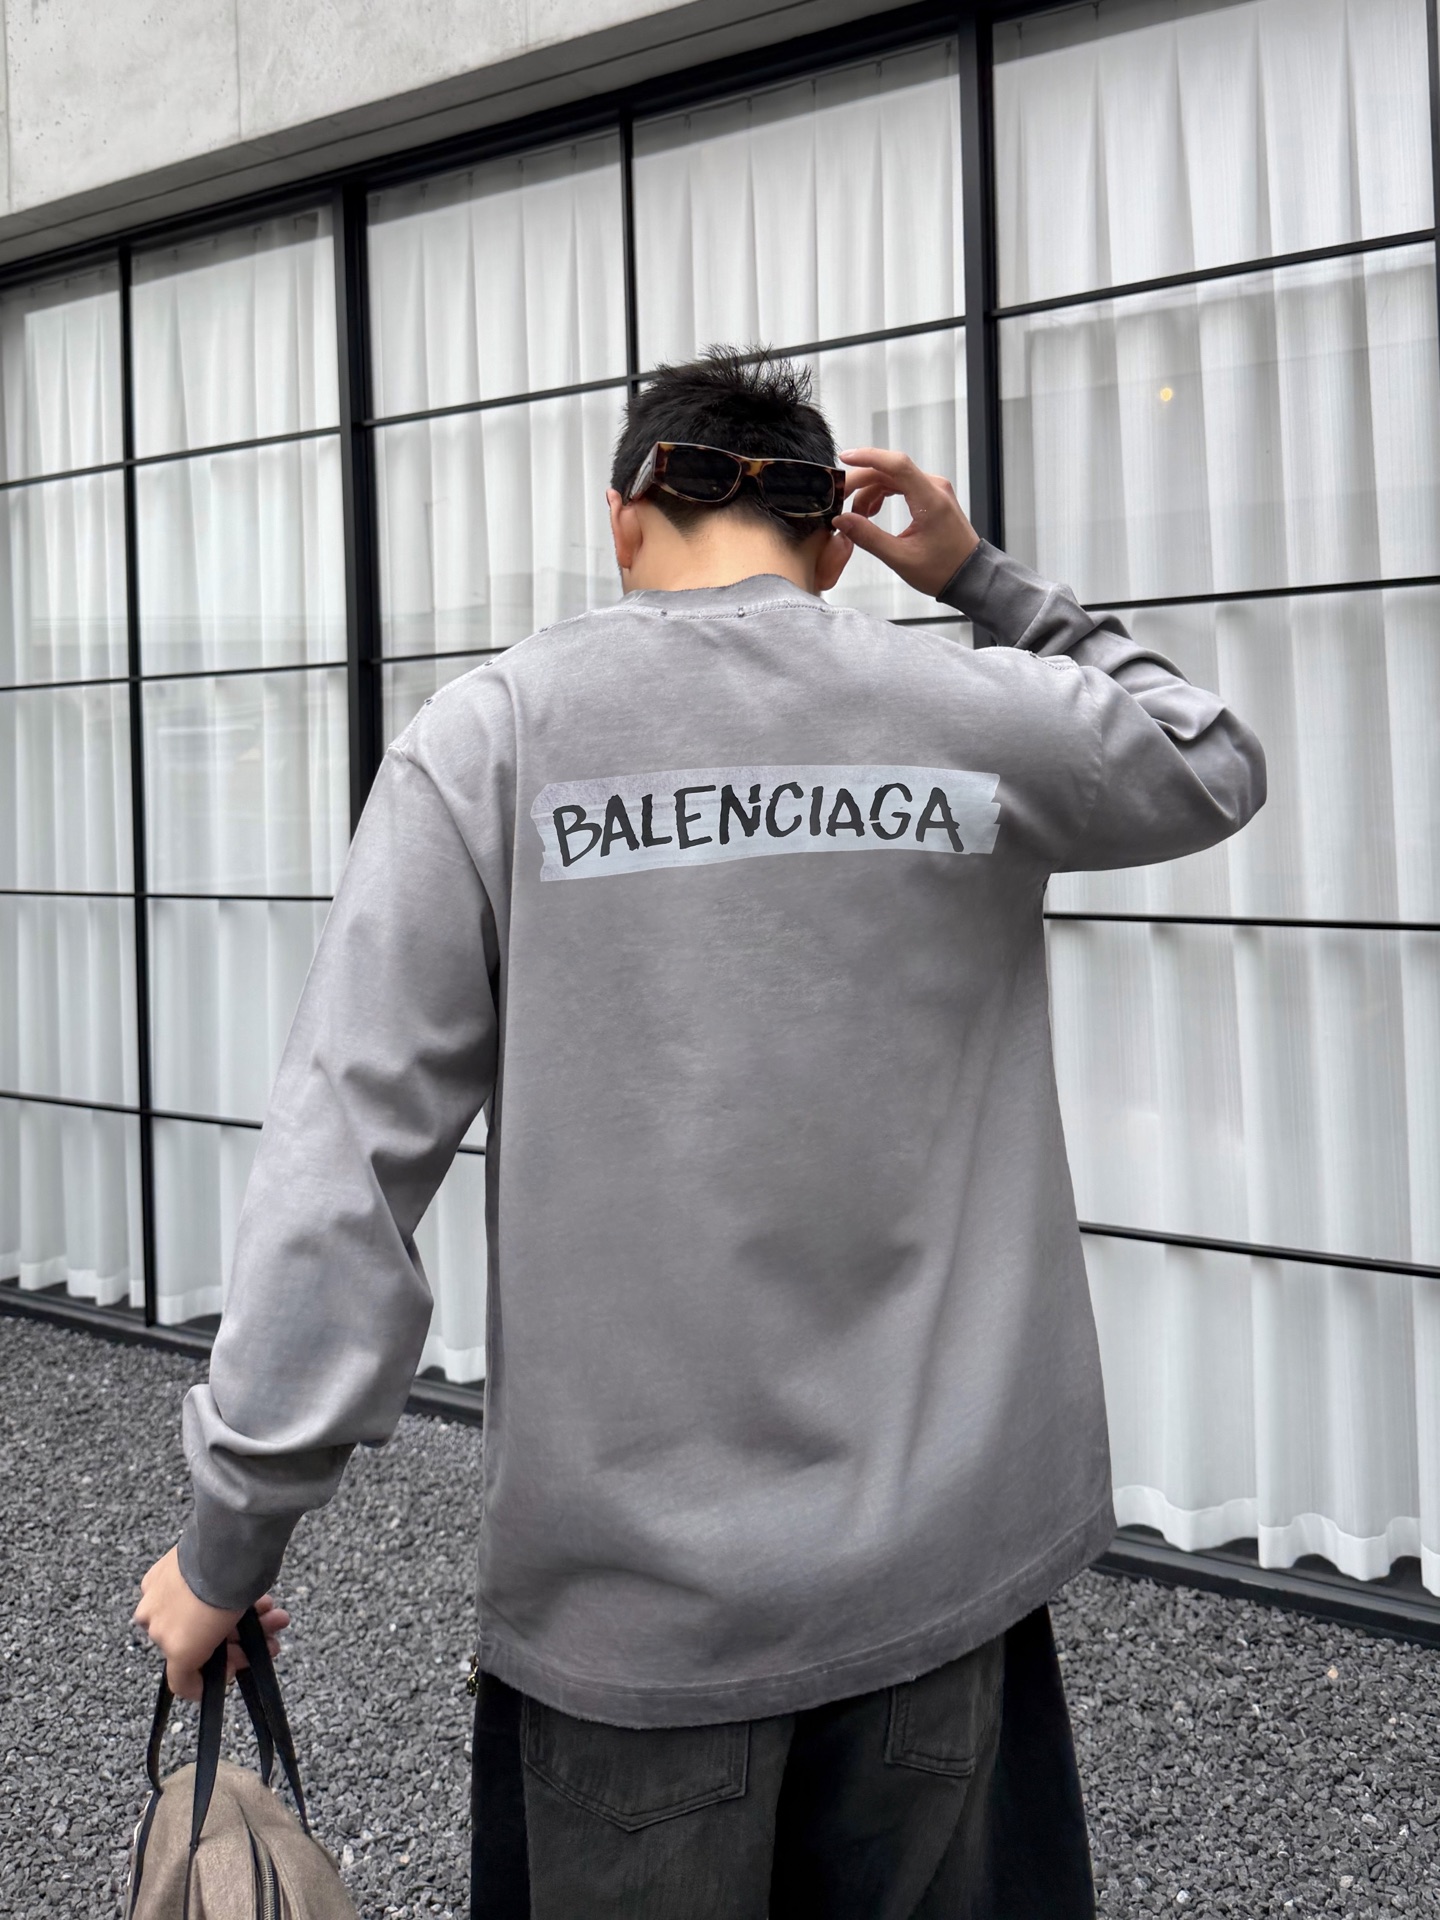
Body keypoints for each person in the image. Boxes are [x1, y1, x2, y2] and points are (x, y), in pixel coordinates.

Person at [134, 348, 1266, 1917]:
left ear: (625, 516)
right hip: (941, 1587)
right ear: (832, 542)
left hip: (639, 1626)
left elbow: (344, 1176)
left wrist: (228, 1546)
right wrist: (977, 575)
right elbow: (1211, 759)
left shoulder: (494, 737)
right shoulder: (968, 710)